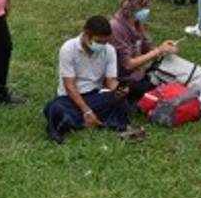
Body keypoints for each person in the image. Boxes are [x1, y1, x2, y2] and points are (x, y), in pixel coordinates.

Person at [43, 16, 147, 144]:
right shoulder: (68, 49)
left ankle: (88, 122)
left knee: (119, 100)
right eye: (98, 41)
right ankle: (92, 120)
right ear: (86, 34)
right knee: (54, 108)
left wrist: (119, 89)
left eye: (105, 42)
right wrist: (87, 111)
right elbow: (69, 86)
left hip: (95, 95)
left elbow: (111, 81)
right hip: (70, 98)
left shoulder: (109, 50)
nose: (102, 45)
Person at [108, 0, 179, 102]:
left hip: (137, 75)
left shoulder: (136, 23)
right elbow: (128, 64)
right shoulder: (116, 28)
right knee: (164, 93)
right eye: (146, 7)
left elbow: (148, 49)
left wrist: (165, 50)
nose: (147, 10)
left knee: (174, 80)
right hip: (122, 80)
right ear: (136, 7)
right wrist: (158, 51)